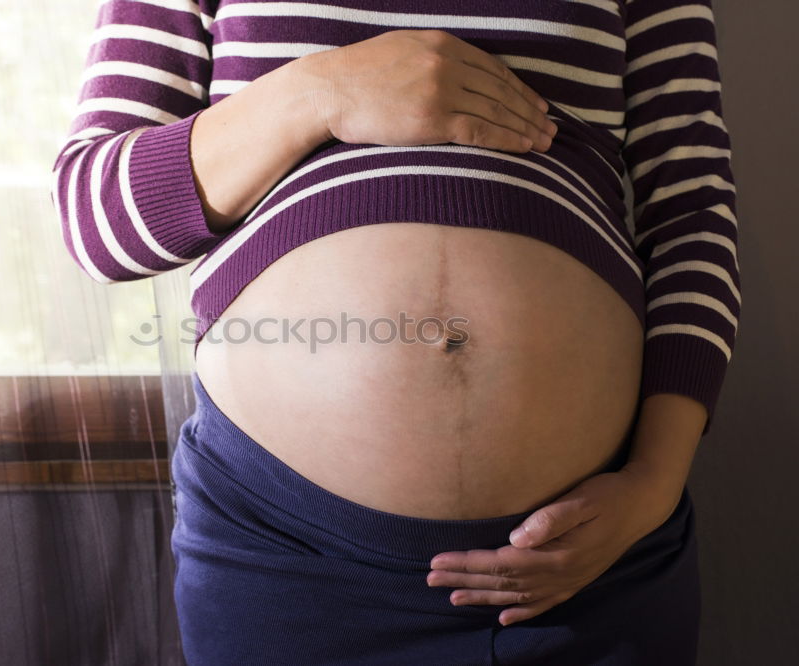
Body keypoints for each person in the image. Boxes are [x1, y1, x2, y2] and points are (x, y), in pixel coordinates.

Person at [50, 0, 740, 663]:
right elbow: (95, 219)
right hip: (290, 560)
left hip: (594, 561)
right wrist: (317, 94)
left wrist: (654, 480)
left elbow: (692, 214)